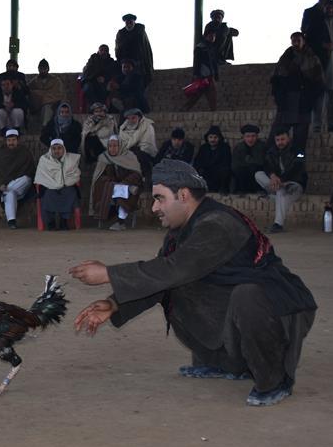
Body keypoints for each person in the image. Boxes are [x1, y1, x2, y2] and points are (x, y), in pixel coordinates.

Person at [70, 159, 317, 407]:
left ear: (184, 195)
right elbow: (160, 278)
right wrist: (113, 304)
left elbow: (175, 268)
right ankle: (222, 363)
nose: (155, 207)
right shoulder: (182, 231)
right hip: (245, 307)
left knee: (245, 296)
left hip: (282, 308)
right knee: (175, 286)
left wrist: (108, 273)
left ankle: (274, 381)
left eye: (160, 198)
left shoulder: (218, 224)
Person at [270, 32, 323, 154]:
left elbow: (318, 81)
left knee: (300, 137)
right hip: (286, 101)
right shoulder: (286, 57)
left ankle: (298, 163)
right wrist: (279, 97)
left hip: (303, 101)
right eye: (293, 40)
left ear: (303, 41)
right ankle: (274, 160)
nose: (296, 43)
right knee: (278, 132)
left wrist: (310, 98)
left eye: (298, 40)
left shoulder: (312, 58)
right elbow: (276, 78)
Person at [305, 0, 333, 132]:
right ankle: (316, 125)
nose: (331, 10)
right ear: (324, 8)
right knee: (319, 95)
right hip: (321, 63)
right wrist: (324, 45)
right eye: (328, 7)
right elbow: (309, 41)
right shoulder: (316, 22)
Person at [257, 129, 307, 233]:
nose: (280, 142)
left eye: (283, 139)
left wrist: (283, 180)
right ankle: (274, 195)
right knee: (258, 174)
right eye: (278, 140)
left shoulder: (298, 151)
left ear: (288, 138)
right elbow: (266, 165)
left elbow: (297, 168)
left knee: (281, 191)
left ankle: (278, 224)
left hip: (294, 184)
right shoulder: (271, 151)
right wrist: (272, 175)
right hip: (278, 184)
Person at [89, 135, 141, 230]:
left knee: (121, 193)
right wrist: (110, 181)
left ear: (120, 146)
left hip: (128, 186)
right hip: (111, 187)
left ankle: (121, 221)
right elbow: (99, 177)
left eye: (115, 146)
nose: (112, 148)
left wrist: (125, 182)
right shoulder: (104, 158)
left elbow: (136, 175)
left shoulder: (129, 156)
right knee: (114, 189)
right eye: (110, 146)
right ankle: (117, 219)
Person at [0, 129, 36, 229]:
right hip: (8, 187)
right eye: (9, 140)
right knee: (10, 193)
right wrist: (1, 184)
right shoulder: (1, 154)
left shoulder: (25, 152)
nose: (11, 143)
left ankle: (1, 191)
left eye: (13, 140)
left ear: (18, 140)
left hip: (23, 185)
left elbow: (30, 170)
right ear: (6, 141)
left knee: (25, 178)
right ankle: (11, 221)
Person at [35, 139, 81, 230]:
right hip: (49, 187)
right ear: (50, 150)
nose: (57, 151)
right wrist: (54, 184)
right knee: (47, 194)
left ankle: (64, 221)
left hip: (67, 186)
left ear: (64, 149)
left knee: (71, 192)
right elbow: (41, 177)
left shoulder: (71, 160)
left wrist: (64, 183)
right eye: (54, 148)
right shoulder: (44, 160)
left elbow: (75, 175)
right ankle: (50, 222)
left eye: (59, 148)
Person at [182, 28, 219, 111]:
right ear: (206, 36)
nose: (212, 37)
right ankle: (184, 109)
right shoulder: (200, 48)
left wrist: (216, 74)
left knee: (212, 96)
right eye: (210, 35)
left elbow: (214, 63)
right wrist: (196, 75)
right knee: (196, 95)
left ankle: (214, 112)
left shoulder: (211, 48)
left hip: (210, 76)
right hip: (203, 76)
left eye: (214, 35)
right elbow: (197, 63)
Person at [117, 108, 157, 184]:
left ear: (139, 117)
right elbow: (123, 143)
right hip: (129, 152)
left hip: (145, 153)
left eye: (134, 118)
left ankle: (144, 181)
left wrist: (133, 146)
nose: (131, 120)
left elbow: (147, 144)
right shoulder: (123, 128)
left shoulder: (147, 126)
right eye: (129, 118)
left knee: (140, 157)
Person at [114, 14, 154, 84]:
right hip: (126, 62)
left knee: (138, 83)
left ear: (134, 22)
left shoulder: (140, 31)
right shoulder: (121, 33)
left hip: (139, 62)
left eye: (130, 21)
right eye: (127, 22)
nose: (129, 23)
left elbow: (144, 48)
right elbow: (118, 48)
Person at [193, 125, 232, 193]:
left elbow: (226, 162)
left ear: (219, 138)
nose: (213, 140)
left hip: (219, 171)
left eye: (215, 137)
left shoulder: (224, 147)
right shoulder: (204, 148)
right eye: (210, 137)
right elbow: (198, 161)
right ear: (207, 138)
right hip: (207, 171)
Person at [28, 59, 66, 126]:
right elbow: (28, 91)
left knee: (47, 107)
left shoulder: (56, 80)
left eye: (44, 68)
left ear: (48, 69)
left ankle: (45, 127)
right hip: (37, 106)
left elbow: (58, 94)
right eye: (41, 68)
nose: (42, 70)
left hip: (53, 104)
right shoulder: (34, 81)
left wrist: (44, 97)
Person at [230, 124, 266, 194]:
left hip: (256, 174)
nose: (250, 139)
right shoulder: (238, 148)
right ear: (244, 137)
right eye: (248, 136)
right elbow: (235, 165)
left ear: (257, 136)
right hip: (243, 175)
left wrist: (249, 162)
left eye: (253, 136)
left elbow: (261, 162)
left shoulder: (262, 146)